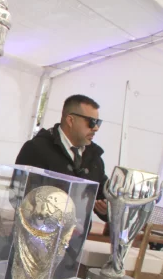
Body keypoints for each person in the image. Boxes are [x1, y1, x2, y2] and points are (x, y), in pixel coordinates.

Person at [16, 94, 108, 222]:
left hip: (74, 238)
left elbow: (103, 196)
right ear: (70, 120)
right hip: (37, 235)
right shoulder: (36, 149)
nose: (96, 128)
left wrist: (107, 209)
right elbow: (19, 195)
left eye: (98, 122)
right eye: (91, 122)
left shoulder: (94, 159)